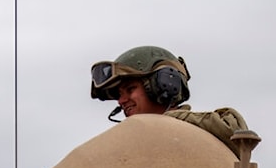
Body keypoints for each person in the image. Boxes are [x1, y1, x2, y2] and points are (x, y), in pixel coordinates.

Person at [90, 45, 249, 156]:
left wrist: (168, 121)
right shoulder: (129, 145)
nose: (121, 101)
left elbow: (235, 134)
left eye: (130, 89)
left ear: (162, 86)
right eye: (119, 94)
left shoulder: (209, 129)